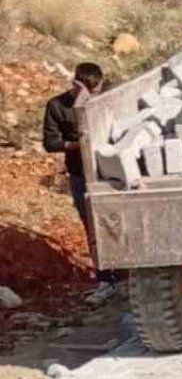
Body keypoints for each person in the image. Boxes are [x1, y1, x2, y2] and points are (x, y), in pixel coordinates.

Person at [43, 62, 119, 305]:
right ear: (75, 83)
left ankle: (125, 275)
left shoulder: (105, 101)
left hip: (112, 173)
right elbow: (50, 143)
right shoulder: (57, 106)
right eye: (87, 90)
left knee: (118, 223)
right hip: (81, 176)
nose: (92, 95)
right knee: (93, 227)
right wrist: (80, 144)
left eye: (96, 90)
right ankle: (106, 280)